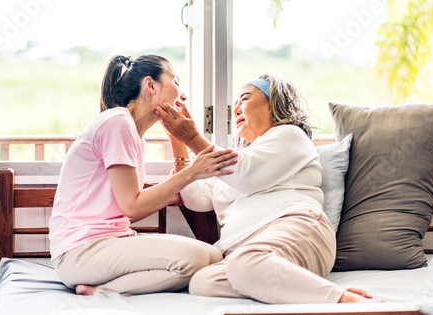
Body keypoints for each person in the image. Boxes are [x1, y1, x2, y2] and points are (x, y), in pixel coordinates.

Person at [156, 73, 379, 303]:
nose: (236, 109)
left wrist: (192, 137)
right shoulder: (238, 158)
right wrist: (179, 142)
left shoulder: (290, 136)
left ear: (273, 104)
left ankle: (343, 299)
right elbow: (198, 199)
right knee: (203, 282)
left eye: (245, 99)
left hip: (295, 228)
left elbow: (245, 175)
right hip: (245, 253)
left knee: (245, 262)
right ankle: (299, 289)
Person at [48, 54, 238, 296]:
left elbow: (128, 201)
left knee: (212, 255)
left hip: (109, 243)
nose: (182, 93)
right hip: (79, 252)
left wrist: (179, 147)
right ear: (150, 85)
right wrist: (192, 173)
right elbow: (132, 207)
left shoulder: (133, 135)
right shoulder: (117, 123)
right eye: (176, 81)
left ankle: (100, 287)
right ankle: (102, 291)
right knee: (196, 259)